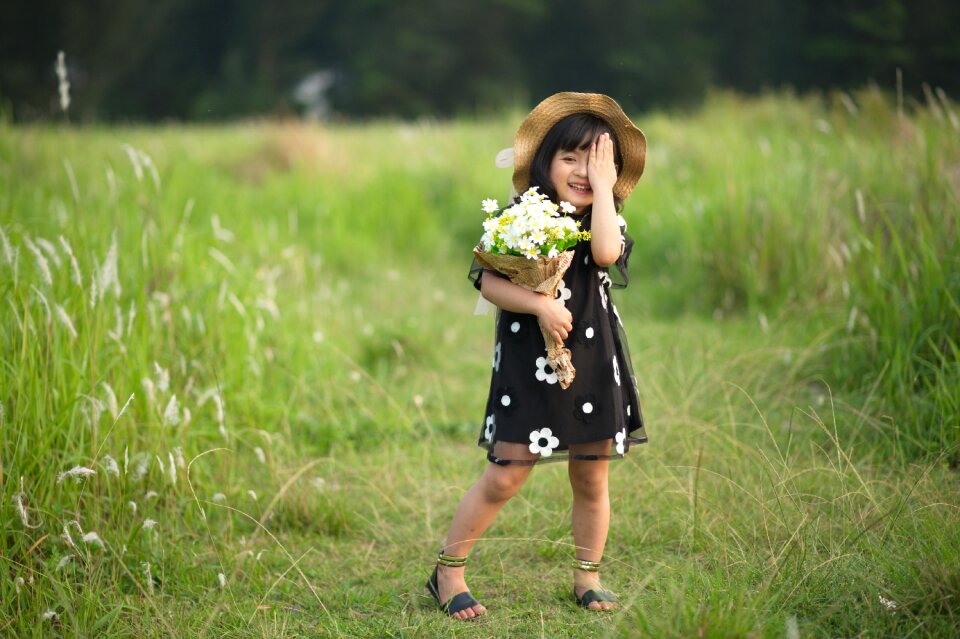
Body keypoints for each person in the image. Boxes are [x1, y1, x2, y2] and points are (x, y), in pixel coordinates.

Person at [426, 92, 649, 619]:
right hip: (529, 363)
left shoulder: (604, 216)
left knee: (592, 476)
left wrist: (603, 190)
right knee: (506, 472)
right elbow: (489, 282)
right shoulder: (523, 216)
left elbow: (605, 254)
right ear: (545, 161)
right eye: (569, 157)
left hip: (593, 361)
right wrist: (540, 306)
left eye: (595, 160)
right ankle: (448, 571)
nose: (580, 170)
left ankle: (587, 575)